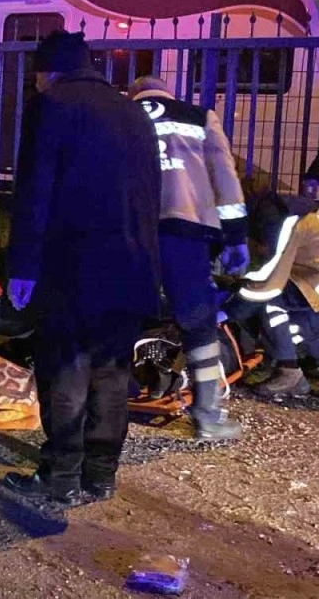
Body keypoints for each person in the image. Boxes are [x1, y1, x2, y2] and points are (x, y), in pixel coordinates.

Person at [2, 30, 162, 506]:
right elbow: (151, 193)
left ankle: (61, 475)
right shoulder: (132, 111)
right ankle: (101, 475)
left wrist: (23, 267)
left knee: (65, 370)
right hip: (132, 266)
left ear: (47, 71)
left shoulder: (51, 105)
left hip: (73, 264)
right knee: (112, 371)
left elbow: (35, 191)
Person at [128, 76, 248, 439]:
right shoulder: (199, 117)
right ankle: (208, 415)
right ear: (168, 92)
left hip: (132, 231)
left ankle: (114, 399)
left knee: (121, 315)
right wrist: (236, 237)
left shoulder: (121, 115)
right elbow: (225, 179)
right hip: (186, 232)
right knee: (198, 322)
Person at [231, 192, 319, 397]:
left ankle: (289, 372)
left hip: (312, 283)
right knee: (301, 322)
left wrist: (229, 312)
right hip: (309, 281)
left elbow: (269, 283)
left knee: (268, 300)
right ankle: (294, 367)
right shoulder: (292, 216)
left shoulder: (288, 225)